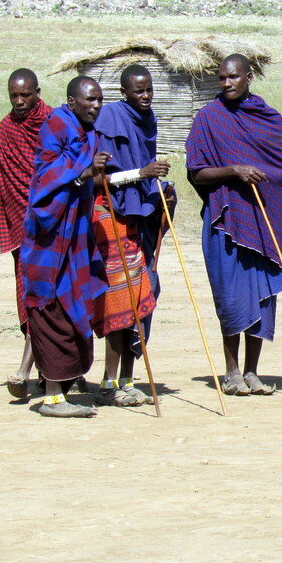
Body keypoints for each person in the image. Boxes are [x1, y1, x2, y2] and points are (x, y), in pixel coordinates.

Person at [186, 54, 282, 396]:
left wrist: (255, 176)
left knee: (261, 297)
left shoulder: (268, 118)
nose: (227, 83)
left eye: (233, 77)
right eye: (222, 78)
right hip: (224, 221)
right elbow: (196, 172)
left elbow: (281, 173)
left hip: (260, 220)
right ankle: (231, 370)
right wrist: (234, 171)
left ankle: (252, 371)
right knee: (230, 297)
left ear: (249, 77)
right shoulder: (208, 117)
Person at [20, 76, 109, 418]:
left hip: (77, 235)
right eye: (89, 100)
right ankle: (53, 398)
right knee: (51, 307)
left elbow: (90, 176)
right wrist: (85, 172)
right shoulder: (56, 126)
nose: (96, 105)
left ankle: (67, 388)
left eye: (99, 99)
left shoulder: (89, 132)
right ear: (72, 101)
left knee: (75, 302)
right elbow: (45, 178)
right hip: (49, 236)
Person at [92, 64, 172, 406]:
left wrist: (161, 189)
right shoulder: (109, 120)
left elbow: (144, 171)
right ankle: (110, 382)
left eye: (149, 89)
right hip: (109, 216)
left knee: (142, 298)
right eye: (139, 91)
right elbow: (100, 181)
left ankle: (128, 377)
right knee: (119, 300)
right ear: (124, 92)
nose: (146, 96)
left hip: (138, 216)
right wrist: (142, 173)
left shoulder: (148, 119)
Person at [0, 68, 51, 398]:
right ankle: (47, 370)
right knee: (27, 295)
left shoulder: (54, 123)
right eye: (13, 96)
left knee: (47, 296)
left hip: (54, 225)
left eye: (25, 95)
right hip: (21, 225)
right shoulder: (6, 128)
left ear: (37, 92)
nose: (19, 102)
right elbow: (2, 179)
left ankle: (27, 370)